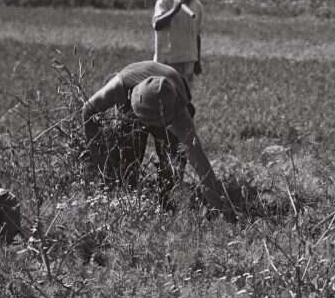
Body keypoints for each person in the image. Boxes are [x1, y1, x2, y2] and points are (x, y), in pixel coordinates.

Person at [82, 61, 231, 217]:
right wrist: (99, 159)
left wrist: (222, 210)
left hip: (168, 100)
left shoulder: (179, 113)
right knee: (127, 159)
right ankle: (125, 199)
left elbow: (201, 165)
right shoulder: (119, 87)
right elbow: (87, 110)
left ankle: (167, 206)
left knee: (173, 163)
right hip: (134, 101)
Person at [153, 0, 204, 89]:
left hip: (188, 60)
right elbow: (157, 25)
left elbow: (196, 35)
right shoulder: (165, 0)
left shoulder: (197, 6)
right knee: (165, 99)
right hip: (167, 60)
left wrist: (197, 60)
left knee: (184, 101)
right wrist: (174, 10)